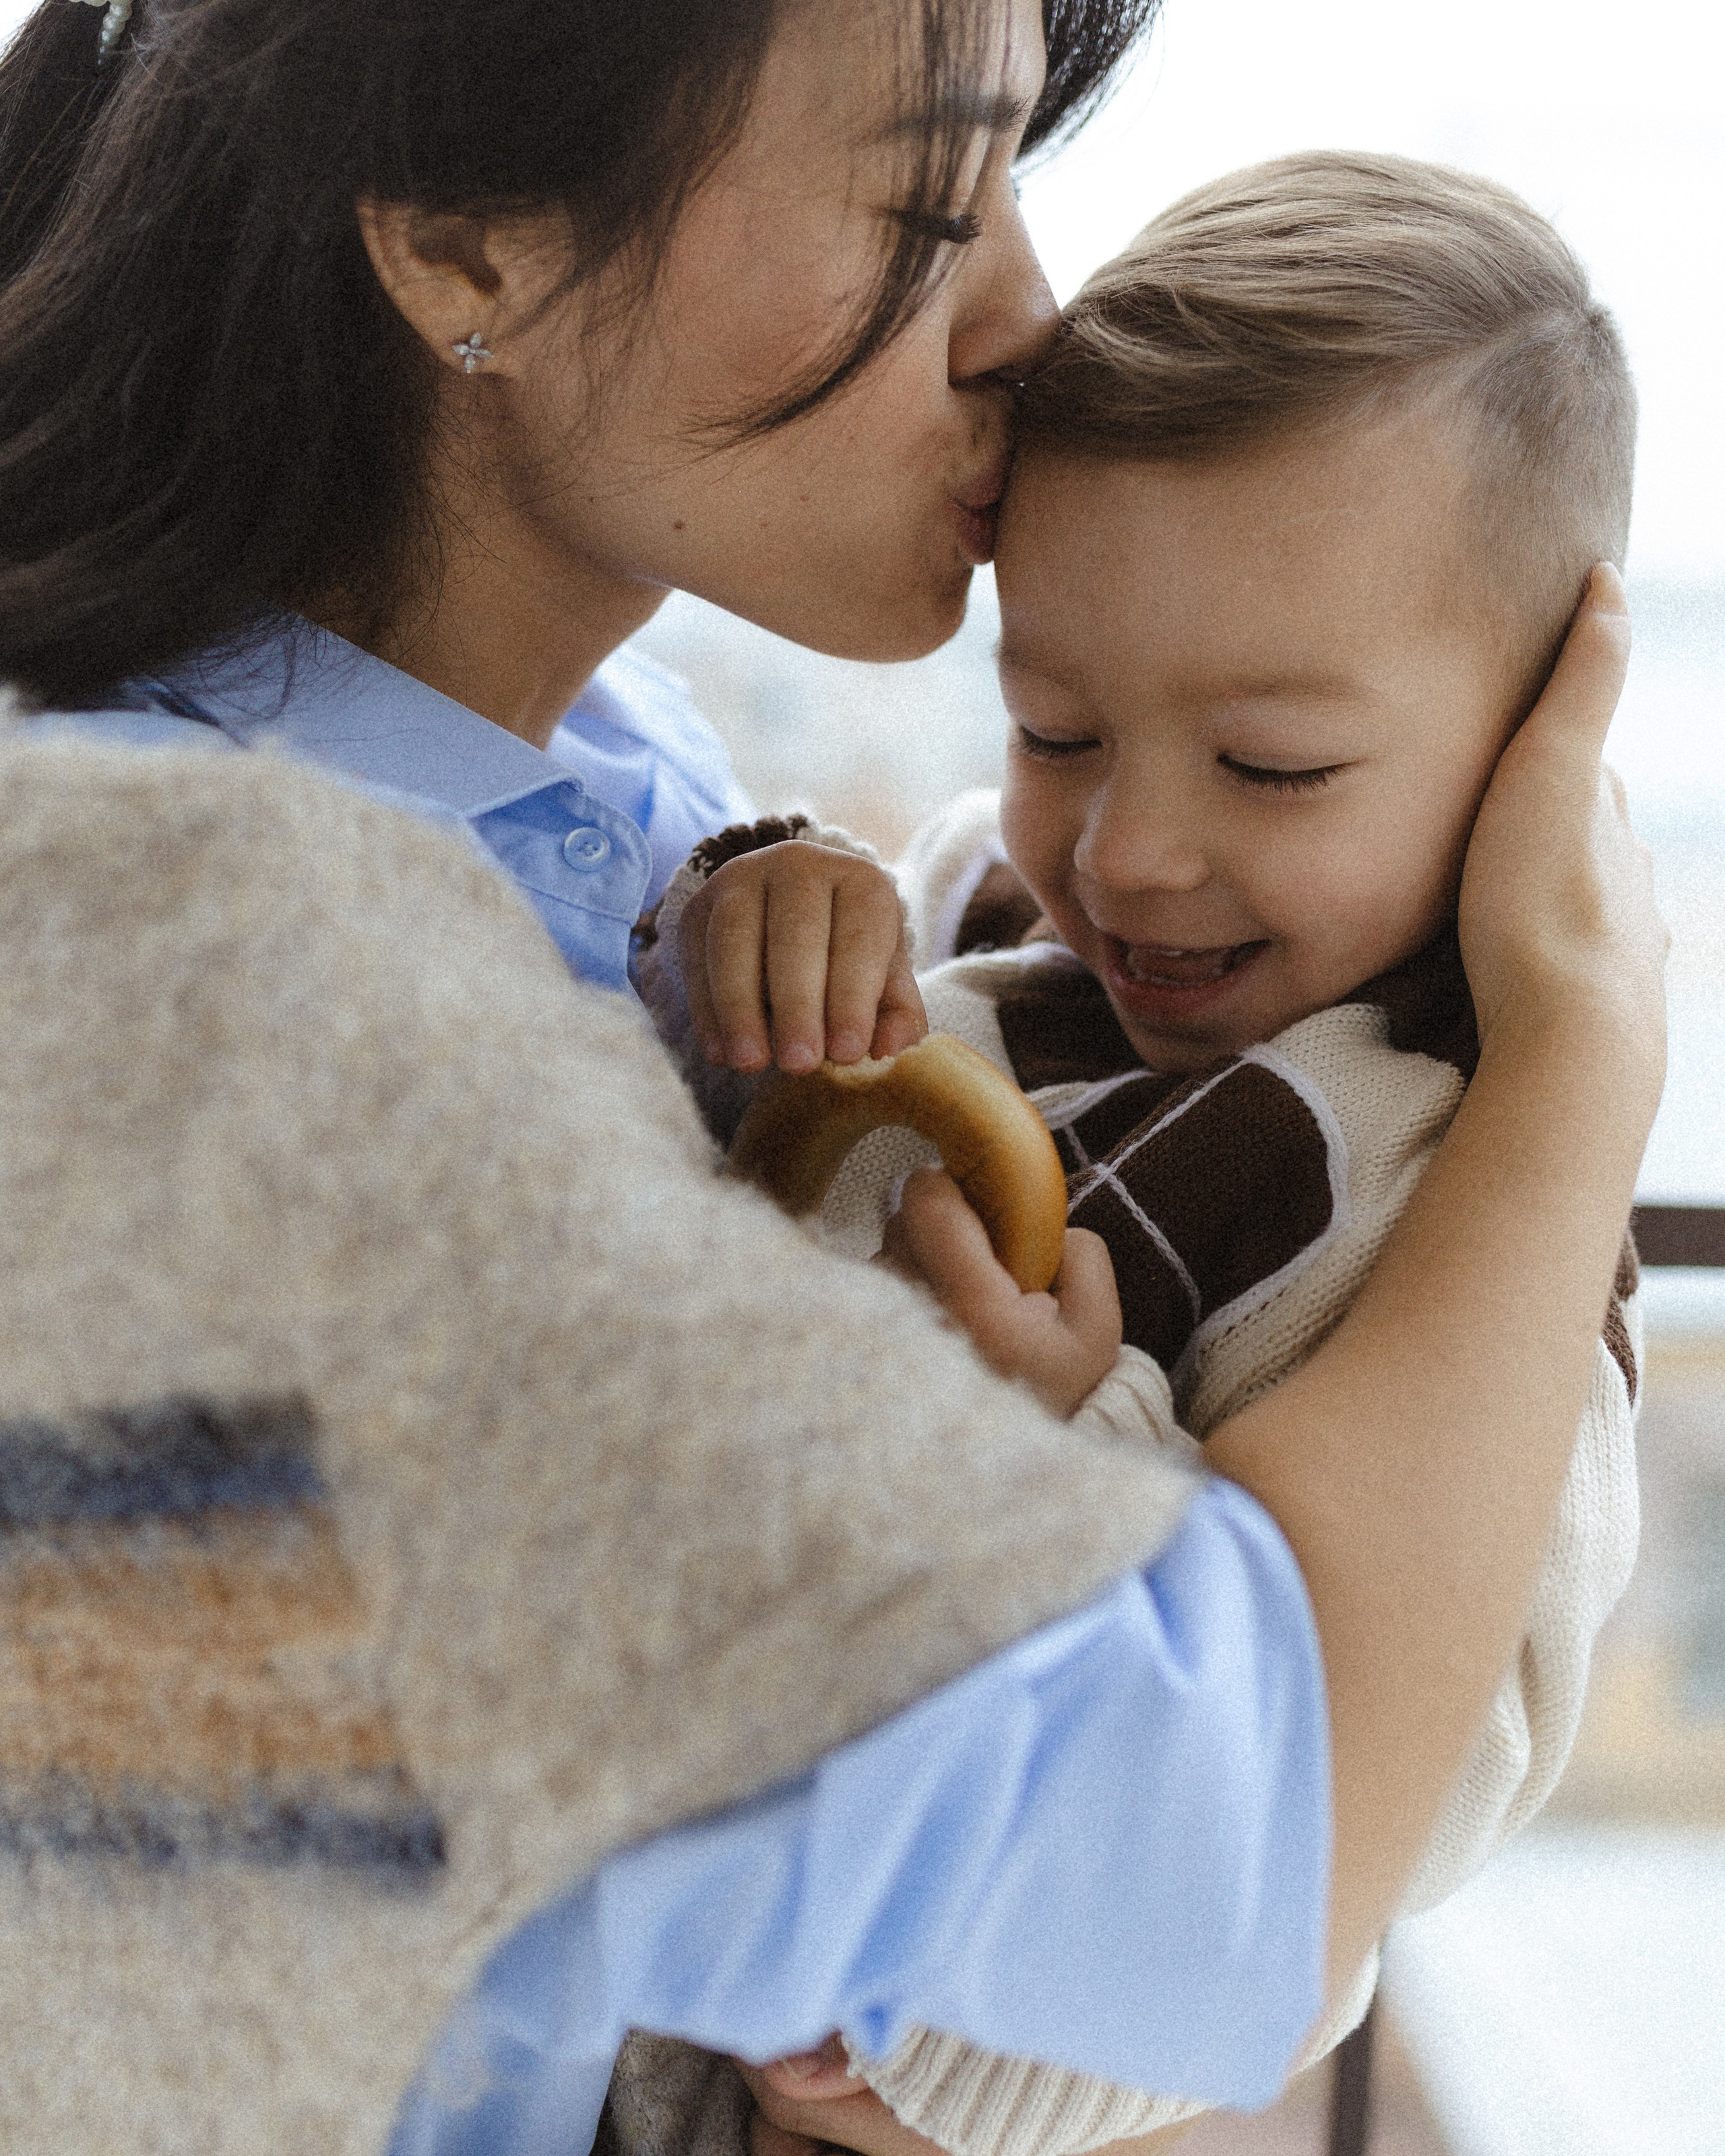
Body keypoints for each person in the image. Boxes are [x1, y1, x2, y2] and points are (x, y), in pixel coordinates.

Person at [0, 3, 1664, 2154]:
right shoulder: (219, 993)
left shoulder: (613, 796)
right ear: (466, 243)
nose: (1030, 313)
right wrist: (1581, 1048)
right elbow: (1232, 1850)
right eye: (920, 194)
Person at [656, 151, 1642, 2156]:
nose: (1127, 853)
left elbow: (1349, 1831)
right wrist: (758, 901)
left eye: (1271, 766)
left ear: (1538, 748)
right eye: (1054, 728)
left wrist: (1079, 1428)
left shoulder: (1465, 1229)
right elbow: (723, 1162)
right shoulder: (983, 920)